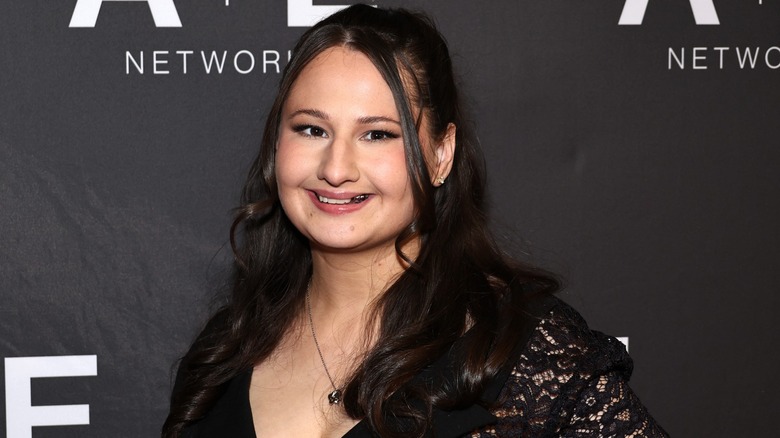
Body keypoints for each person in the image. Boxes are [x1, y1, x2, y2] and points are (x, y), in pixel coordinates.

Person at [163, 4, 667, 437]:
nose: (336, 169)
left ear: (441, 154)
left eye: (378, 134)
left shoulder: (522, 350)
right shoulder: (223, 353)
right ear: (278, 144)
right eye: (312, 129)